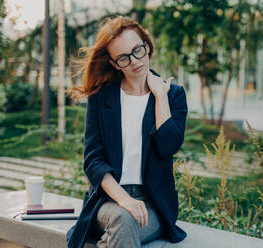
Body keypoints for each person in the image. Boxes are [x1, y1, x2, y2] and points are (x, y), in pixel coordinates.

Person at [66, 16, 188, 248]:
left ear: (147, 45)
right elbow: (93, 161)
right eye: (123, 57)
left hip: (154, 205)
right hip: (109, 199)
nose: (134, 61)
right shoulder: (101, 97)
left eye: (137, 50)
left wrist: (160, 97)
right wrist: (125, 199)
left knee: (123, 227)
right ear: (114, 63)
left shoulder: (173, 95)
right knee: (123, 218)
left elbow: (168, 146)